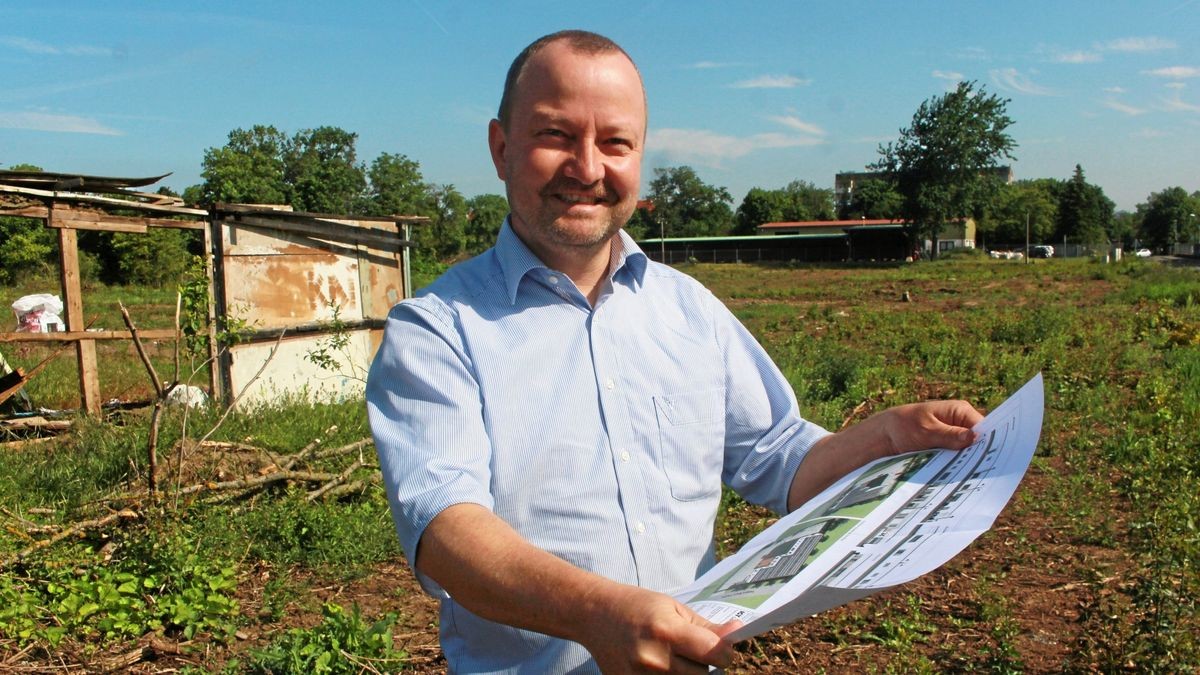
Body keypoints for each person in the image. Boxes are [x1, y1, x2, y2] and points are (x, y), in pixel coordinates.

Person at [366, 29, 983, 674]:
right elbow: (446, 531)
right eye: (555, 135)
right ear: (500, 147)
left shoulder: (689, 310)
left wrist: (885, 436)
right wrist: (597, 615)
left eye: (615, 142)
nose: (588, 167)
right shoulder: (437, 330)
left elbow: (782, 460)